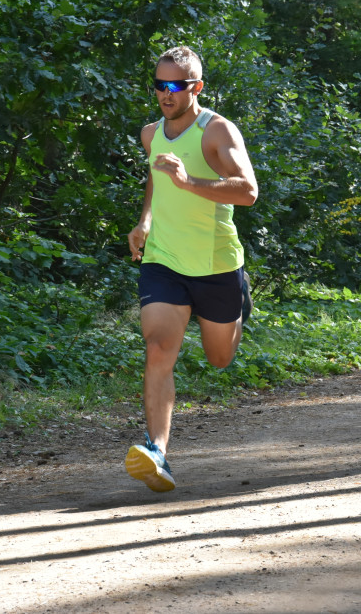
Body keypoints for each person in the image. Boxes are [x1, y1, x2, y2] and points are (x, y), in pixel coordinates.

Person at [125, 46, 258, 491]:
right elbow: (155, 178)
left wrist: (189, 182)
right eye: (158, 85)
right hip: (163, 259)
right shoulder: (150, 133)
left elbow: (247, 191)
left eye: (175, 86)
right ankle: (157, 452)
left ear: (195, 87)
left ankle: (240, 298)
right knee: (159, 347)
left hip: (216, 262)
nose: (165, 94)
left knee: (220, 358)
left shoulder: (215, 131)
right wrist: (144, 220)